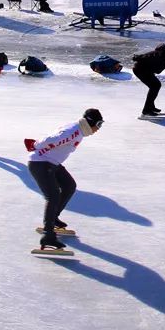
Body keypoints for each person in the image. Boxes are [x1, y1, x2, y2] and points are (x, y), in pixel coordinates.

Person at [26, 108, 104, 252]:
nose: (98, 129)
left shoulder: (79, 130)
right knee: (53, 196)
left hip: (51, 163)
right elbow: (52, 139)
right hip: (40, 163)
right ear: (91, 122)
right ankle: (48, 236)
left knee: (69, 186)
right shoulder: (73, 131)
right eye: (98, 125)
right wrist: (36, 145)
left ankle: (53, 218)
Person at [132, 43, 165, 117]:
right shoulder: (164, 56)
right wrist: (138, 58)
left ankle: (150, 108)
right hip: (140, 69)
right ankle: (146, 111)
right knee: (155, 86)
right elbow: (151, 58)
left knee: (155, 85)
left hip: (144, 69)